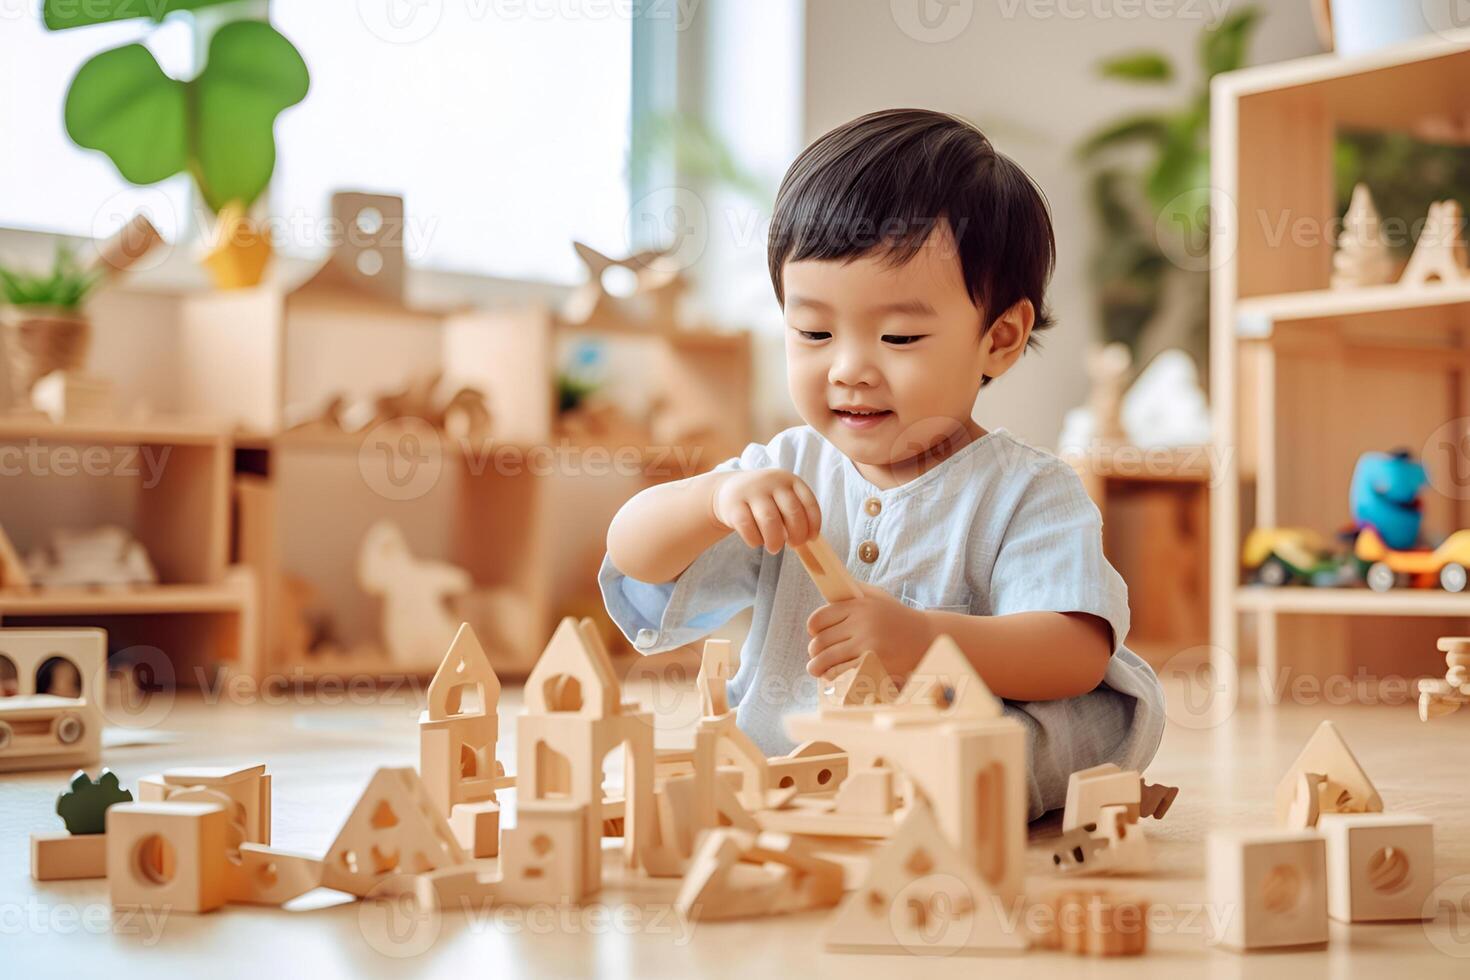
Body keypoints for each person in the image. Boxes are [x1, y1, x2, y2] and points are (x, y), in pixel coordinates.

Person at [600, 108, 1163, 819]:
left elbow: (1074, 653)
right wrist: (715, 497)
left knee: (1021, 756)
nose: (848, 369)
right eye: (813, 331)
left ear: (1000, 338)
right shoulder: (783, 468)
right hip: (793, 754)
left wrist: (925, 639)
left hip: (955, 749)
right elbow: (633, 552)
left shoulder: (1027, 489)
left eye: (898, 336)